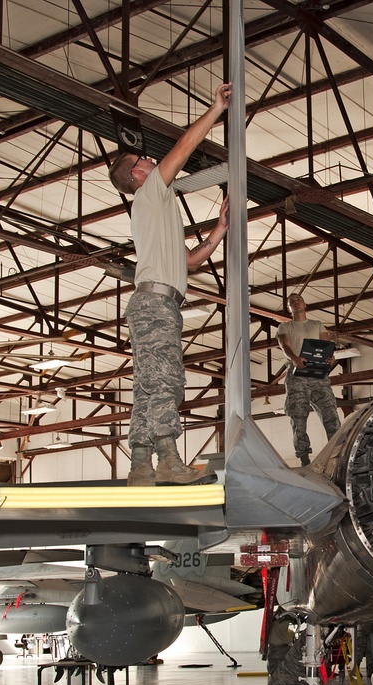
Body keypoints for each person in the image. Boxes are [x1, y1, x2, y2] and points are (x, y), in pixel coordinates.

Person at [109, 83, 232, 487]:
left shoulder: (156, 210)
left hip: (155, 302)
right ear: (138, 174)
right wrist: (215, 110)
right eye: (142, 158)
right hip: (156, 305)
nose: (149, 158)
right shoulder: (150, 194)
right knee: (165, 381)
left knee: (148, 385)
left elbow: (190, 261)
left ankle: (140, 464)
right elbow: (181, 149)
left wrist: (219, 231)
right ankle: (168, 459)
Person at [275, 292, 341, 466]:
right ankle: (304, 456)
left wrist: (330, 358)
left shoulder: (317, 324)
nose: (296, 302)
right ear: (289, 308)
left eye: (299, 300)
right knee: (298, 415)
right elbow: (285, 345)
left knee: (331, 414)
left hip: (318, 374)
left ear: (305, 305)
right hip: (298, 374)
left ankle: (337, 454)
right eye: (292, 301)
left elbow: (326, 346)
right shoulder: (285, 327)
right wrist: (295, 358)